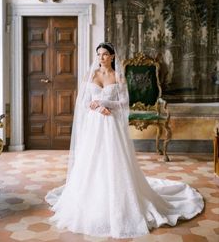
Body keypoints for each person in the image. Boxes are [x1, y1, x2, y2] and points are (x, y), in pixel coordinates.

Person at [45, 42, 204, 239]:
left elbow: (123, 104)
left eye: (104, 55)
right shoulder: (91, 75)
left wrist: (105, 103)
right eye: (98, 55)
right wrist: (97, 107)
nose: (101, 58)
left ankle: (120, 201)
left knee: (114, 163)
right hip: (95, 125)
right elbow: (85, 102)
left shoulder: (118, 76)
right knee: (92, 162)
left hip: (111, 125)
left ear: (112, 57)